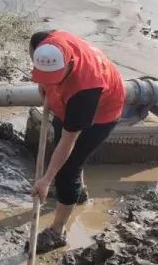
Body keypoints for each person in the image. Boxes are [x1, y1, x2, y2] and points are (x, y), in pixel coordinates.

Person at [29, 30, 125, 252]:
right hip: (65, 102)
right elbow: (34, 45)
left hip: (102, 113)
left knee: (68, 167)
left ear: (68, 64)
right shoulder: (48, 41)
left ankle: (57, 231)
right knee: (63, 160)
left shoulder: (86, 90)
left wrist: (46, 179)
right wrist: (44, 84)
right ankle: (77, 193)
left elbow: (68, 141)